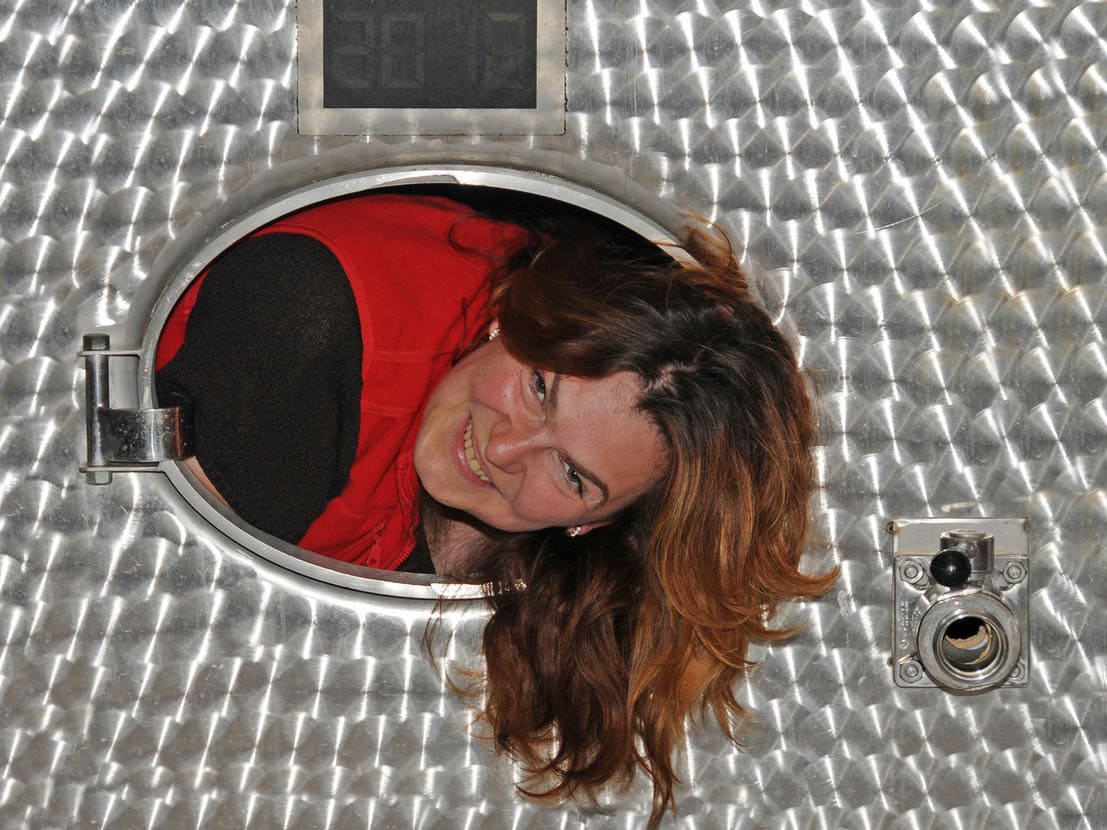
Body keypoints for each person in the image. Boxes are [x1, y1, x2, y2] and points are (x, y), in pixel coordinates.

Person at [155, 190, 835, 823]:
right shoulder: (309, 321)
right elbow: (175, 646)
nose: (506, 448)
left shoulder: (555, 561)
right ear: (515, 317)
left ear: (594, 524)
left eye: (572, 474)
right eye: (539, 388)